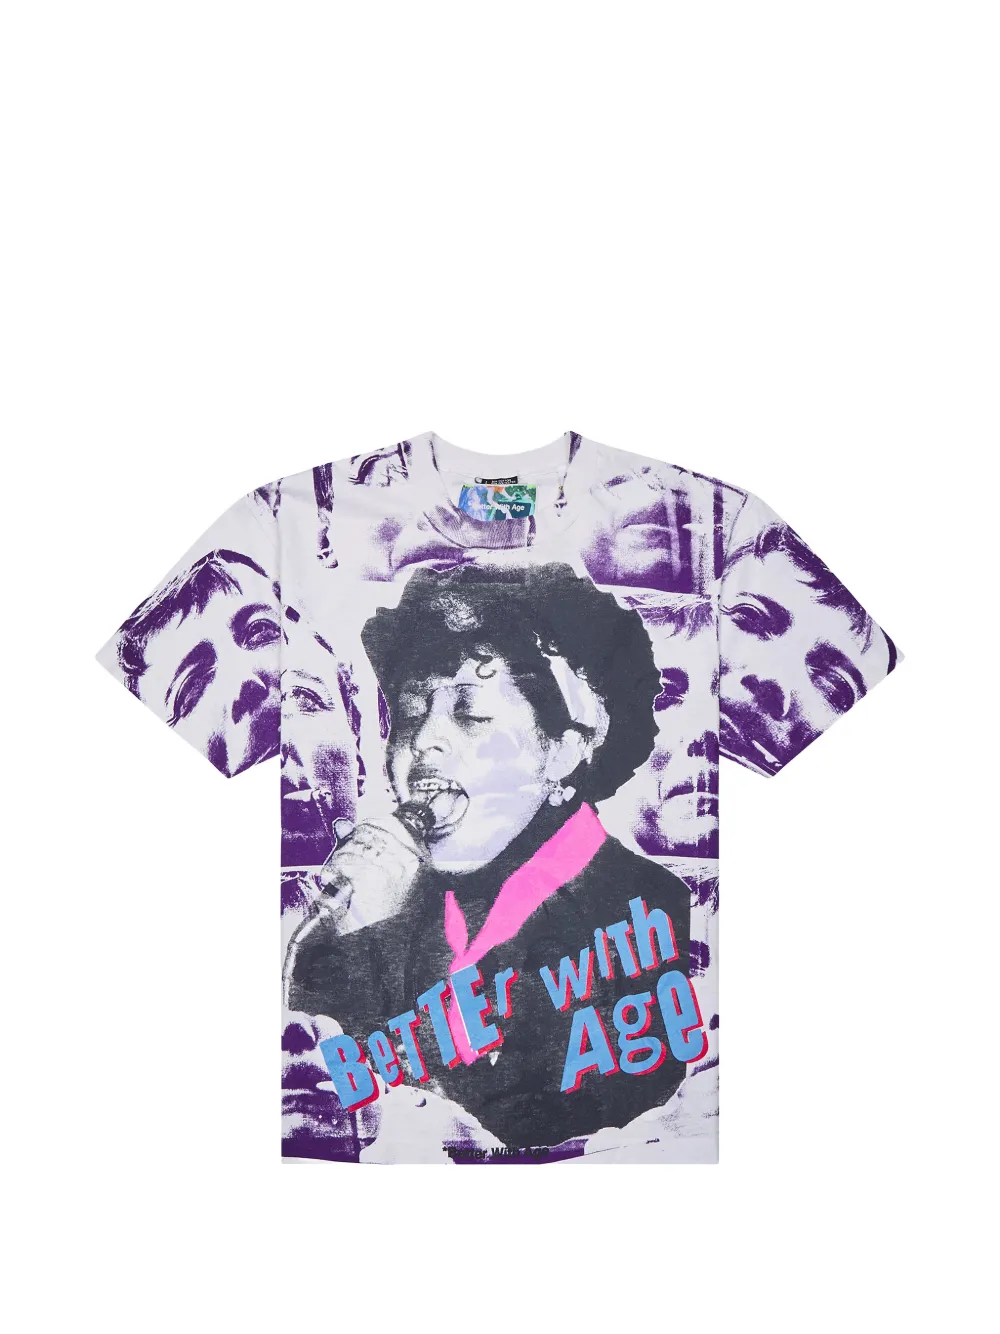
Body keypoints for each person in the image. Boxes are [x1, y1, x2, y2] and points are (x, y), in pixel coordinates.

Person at [283, 561, 699, 1148]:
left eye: (471, 714)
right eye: (411, 712)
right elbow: (323, 1098)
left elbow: (555, 1131)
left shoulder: (658, 913)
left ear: (564, 751)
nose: (423, 740)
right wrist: (357, 937)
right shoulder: (384, 909)